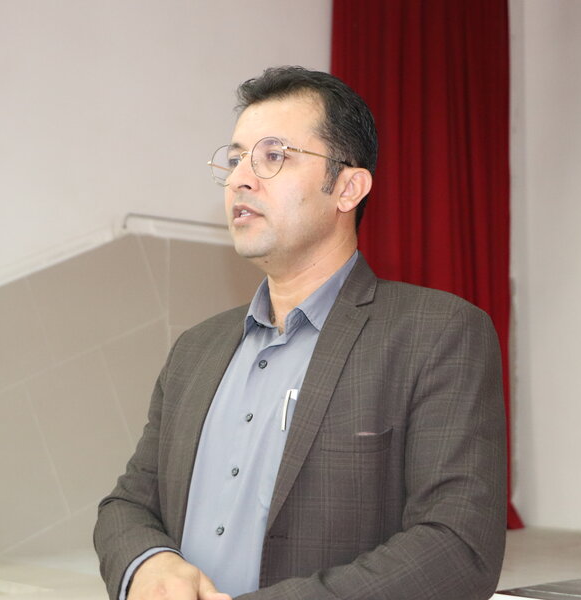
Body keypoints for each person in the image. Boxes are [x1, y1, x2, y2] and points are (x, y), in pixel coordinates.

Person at [93, 66, 507, 600]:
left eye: (273, 155)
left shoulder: (436, 335)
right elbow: (129, 504)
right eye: (236, 159)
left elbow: (457, 548)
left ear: (348, 188)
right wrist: (149, 562)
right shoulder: (196, 349)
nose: (240, 179)